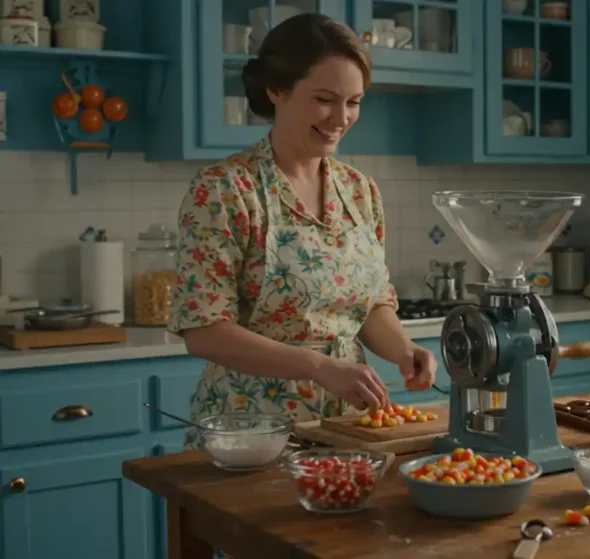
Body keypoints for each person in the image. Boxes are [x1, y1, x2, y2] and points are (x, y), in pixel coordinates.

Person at [168, 13, 437, 452]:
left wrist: (405, 351)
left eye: (354, 102)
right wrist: (317, 366)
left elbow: (370, 307)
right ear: (276, 89)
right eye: (325, 99)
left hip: (350, 432)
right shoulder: (226, 190)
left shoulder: (360, 190)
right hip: (252, 435)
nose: (342, 117)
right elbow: (203, 330)